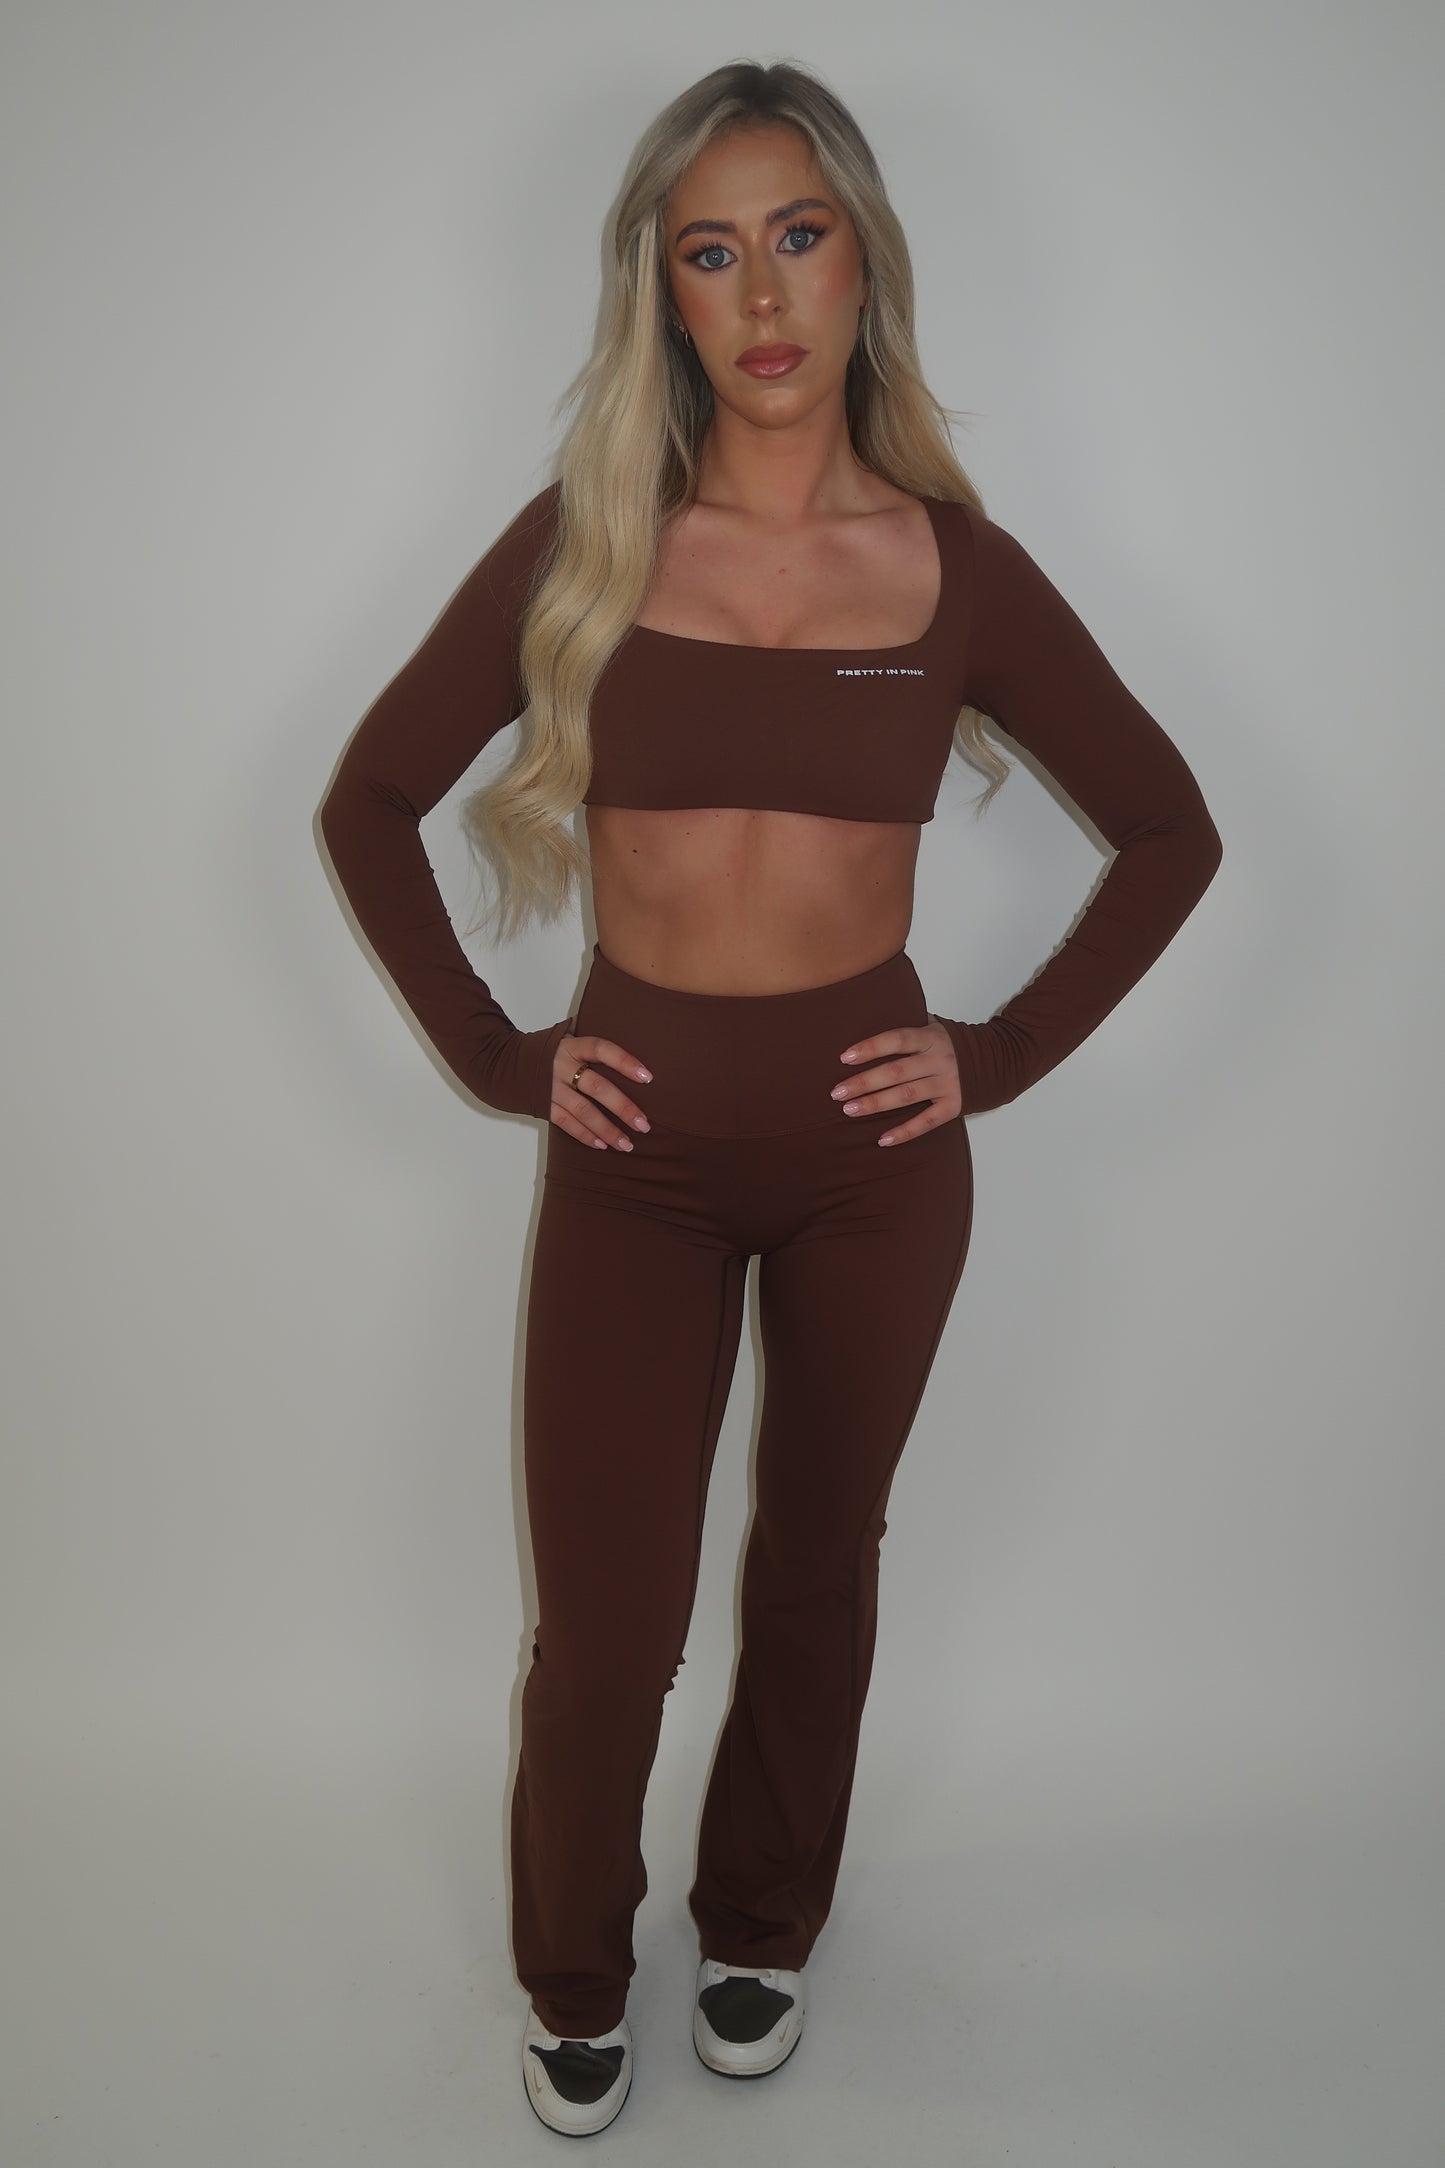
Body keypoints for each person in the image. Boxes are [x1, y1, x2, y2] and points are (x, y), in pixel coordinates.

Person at [318, 60, 1223, 2138]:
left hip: (871, 1166)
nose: (760, 293)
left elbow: (1172, 830)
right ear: (661, 291)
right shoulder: (589, 543)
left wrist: (995, 1053)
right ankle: (570, 1971)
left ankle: (761, 1923)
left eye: (796, 237)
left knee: (818, 1562)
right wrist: (499, 1055)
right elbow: (368, 799)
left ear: (862, 262)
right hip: (631, 1161)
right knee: (606, 1625)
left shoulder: (954, 568)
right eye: (708, 251)